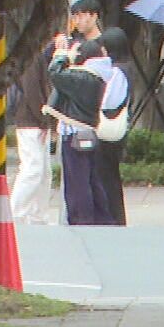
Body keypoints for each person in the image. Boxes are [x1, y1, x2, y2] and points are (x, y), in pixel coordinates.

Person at [41, 36, 124, 226]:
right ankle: (102, 217)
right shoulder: (101, 75)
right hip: (90, 131)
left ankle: (82, 218)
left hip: (73, 133)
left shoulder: (81, 77)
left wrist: (63, 56)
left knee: (77, 180)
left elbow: (54, 73)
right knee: (93, 179)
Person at [9, 26, 60, 225]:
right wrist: (45, 120)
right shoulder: (32, 58)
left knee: (44, 171)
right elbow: (33, 93)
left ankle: (38, 214)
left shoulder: (38, 57)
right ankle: (16, 212)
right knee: (33, 168)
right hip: (30, 121)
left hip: (37, 121)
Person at [92, 27, 132, 225]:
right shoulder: (125, 68)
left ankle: (112, 216)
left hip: (107, 130)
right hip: (116, 130)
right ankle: (115, 216)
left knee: (105, 174)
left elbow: (108, 102)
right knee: (110, 174)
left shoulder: (116, 72)